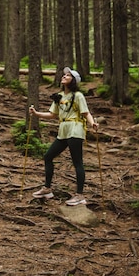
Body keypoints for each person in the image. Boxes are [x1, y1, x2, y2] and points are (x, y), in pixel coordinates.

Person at [29, 66, 98, 206]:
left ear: (73, 80)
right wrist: (36, 114)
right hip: (63, 131)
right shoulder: (59, 96)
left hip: (75, 129)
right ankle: (47, 189)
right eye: (64, 75)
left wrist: (92, 124)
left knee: (77, 161)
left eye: (68, 75)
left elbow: (86, 113)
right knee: (48, 156)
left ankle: (79, 195)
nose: (64, 76)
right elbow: (53, 114)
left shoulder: (78, 95)